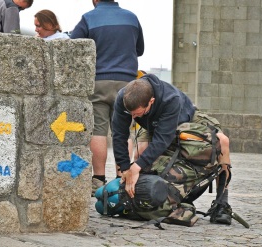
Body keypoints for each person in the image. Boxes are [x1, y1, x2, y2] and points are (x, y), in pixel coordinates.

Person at [111, 73, 233, 224]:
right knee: (142, 153)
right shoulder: (123, 98)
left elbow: (163, 139)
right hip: (153, 122)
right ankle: (164, 198)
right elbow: (119, 135)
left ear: (151, 101)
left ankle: (222, 203)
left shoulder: (170, 99)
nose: (133, 118)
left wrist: (136, 168)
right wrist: (125, 169)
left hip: (185, 118)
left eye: (137, 114)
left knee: (222, 141)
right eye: (131, 114)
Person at [70, 0, 144, 196]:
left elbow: (74, 46)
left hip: (99, 81)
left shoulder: (88, 18)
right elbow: (140, 50)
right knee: (123, 132)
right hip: (127, 84)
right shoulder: (132, 17)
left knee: (98, 131)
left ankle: (99, 179)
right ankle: (122, 176)